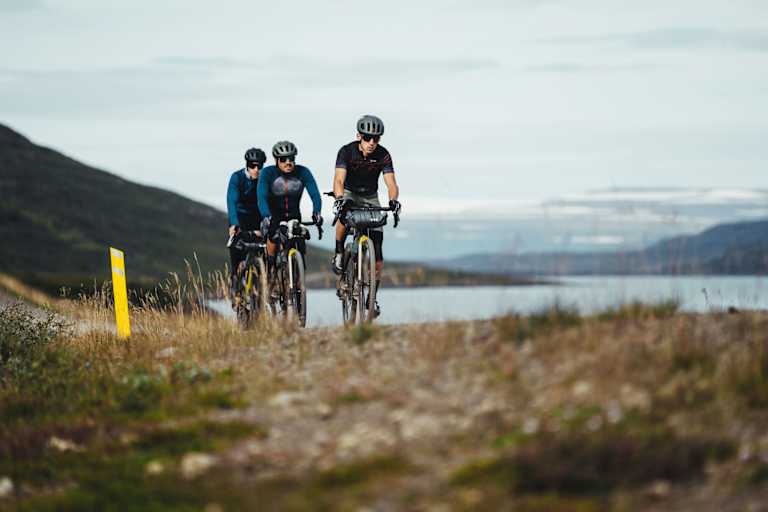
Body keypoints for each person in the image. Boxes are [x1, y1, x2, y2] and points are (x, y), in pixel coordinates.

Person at [332, 115, 401, 316]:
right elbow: (338, 179)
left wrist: (393, 200)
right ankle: (338, 252)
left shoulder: (383, 155)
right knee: (344, 216)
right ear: (359, 136)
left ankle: (372, 298)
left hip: (371, 197)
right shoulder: (346, 151)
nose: (372, 143)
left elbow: (391, 183)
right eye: (368, 138)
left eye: (376, 139)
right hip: (350, 193)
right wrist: (339, 198)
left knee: (378, 254)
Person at [257, 141, 322, 270]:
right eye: (283, 159)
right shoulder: (267, 173)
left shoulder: (303, 172)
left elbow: (315, 194)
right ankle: (270, 270)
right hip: (274, 216)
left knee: (299, 241)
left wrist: (317, 212)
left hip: (294, 215)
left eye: (291, 158)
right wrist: (266, 216)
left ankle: (299, 280)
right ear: (276, 160)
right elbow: (261, 197)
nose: (288, 162)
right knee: (273, 237)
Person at [226, 147, 267, 298]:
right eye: (252, 166)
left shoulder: (265, 180)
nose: (256, 169)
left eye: (259, 166)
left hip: (259, 220)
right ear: (247, 165)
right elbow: (232, 201)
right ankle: (235, 285)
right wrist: (234, 224)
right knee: (237, 249)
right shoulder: (236, 178)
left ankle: (266, 284)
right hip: (240, 220)